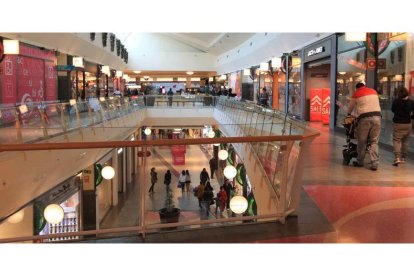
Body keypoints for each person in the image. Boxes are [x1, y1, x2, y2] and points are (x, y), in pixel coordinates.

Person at [347, 82, 382, 171]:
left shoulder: (357, 93)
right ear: (364, 86)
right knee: (374, 141)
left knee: (362, 141)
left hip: (364, 119)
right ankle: (375, 163)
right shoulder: (373, 91)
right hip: (377, 117)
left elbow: (350, 108)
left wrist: (348, 115)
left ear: (357, 88)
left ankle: (360, 162)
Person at [391, 86, 414, 166]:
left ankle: (397, 158)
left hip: (398, 123)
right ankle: (404, 158)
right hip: (408, 124)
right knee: (405, 141)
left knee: (397, 140)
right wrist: (410, 117)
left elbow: (393, 110)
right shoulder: (411, 102)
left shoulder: (396, 101)